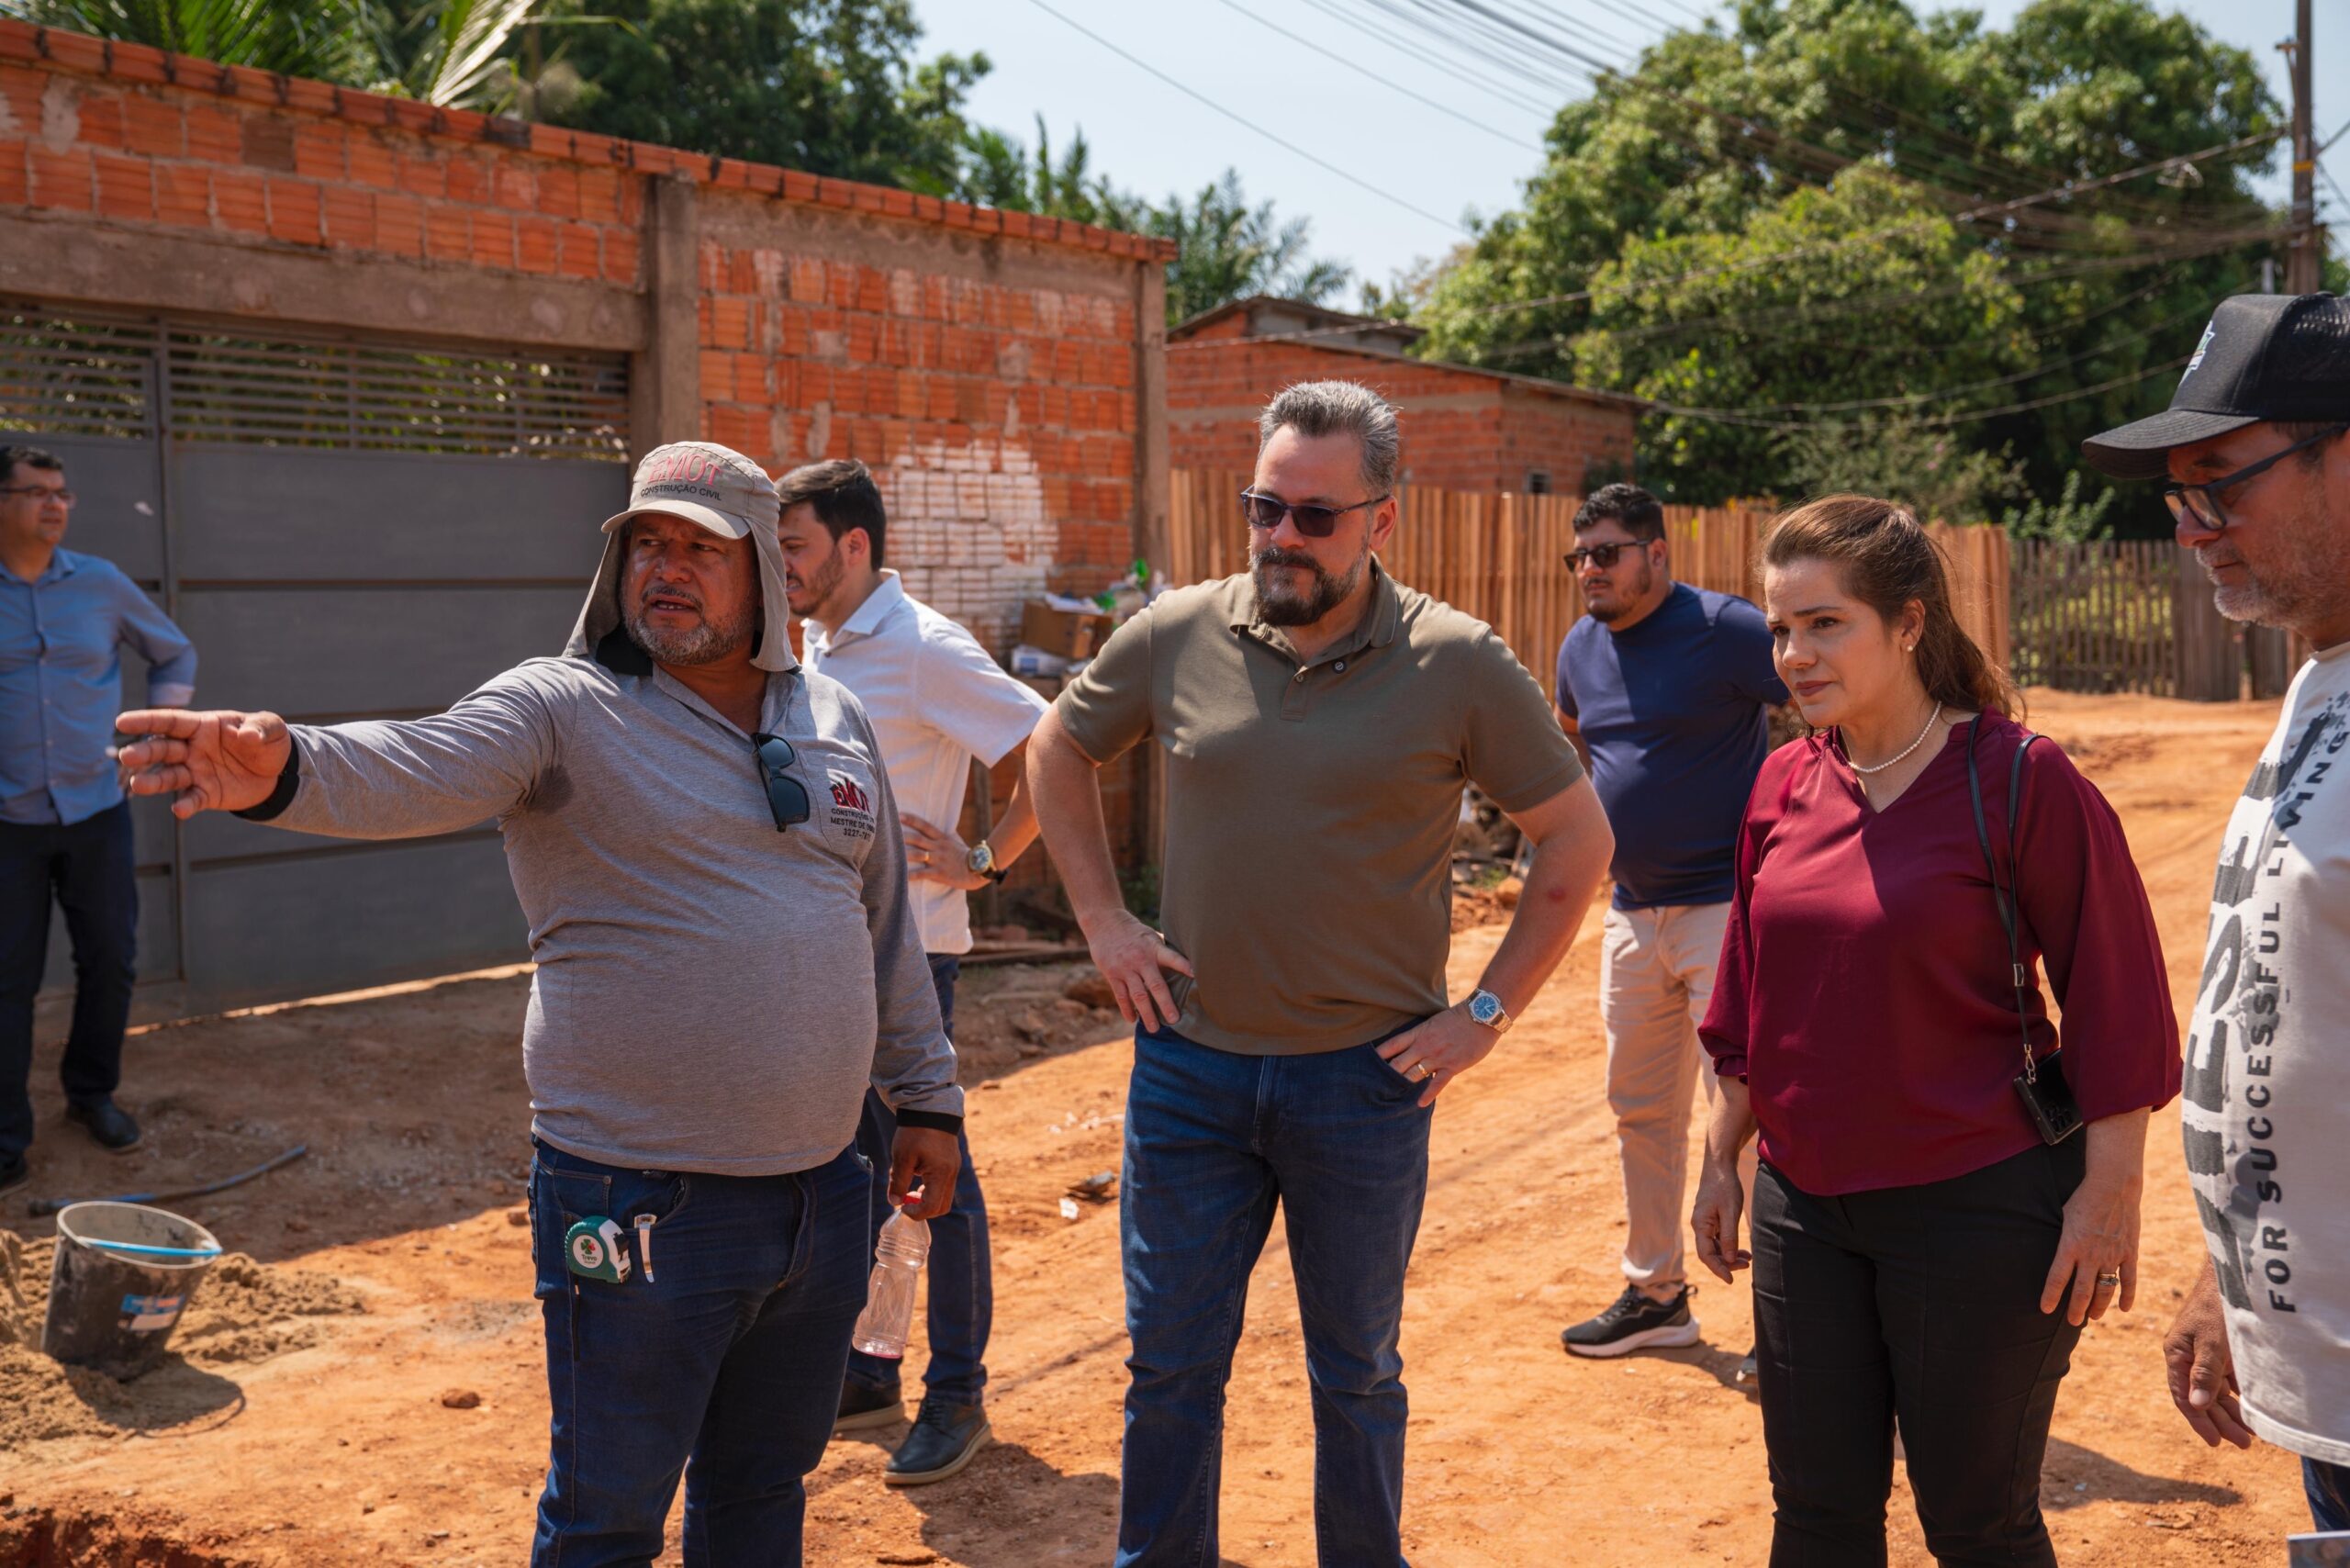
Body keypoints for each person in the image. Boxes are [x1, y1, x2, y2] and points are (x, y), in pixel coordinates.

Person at [113, 441, 963, 1568]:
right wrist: (285, 770)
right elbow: (418, 762)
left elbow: (882, 925)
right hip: (640, 1200)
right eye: (645, 543)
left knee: (763, 1488)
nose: (665, 567)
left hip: (823, 1190)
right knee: (608, 1517)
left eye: (699, 548)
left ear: (763, 567)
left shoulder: (837, 716)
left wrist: (928, 1099)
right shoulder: (565, 707)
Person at [1026, 380, 1615, 1568]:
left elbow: (1577, 838)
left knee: (1355, 1373)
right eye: (1265, 508)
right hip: (1189, 1074)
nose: (1281, 537)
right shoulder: (1179, 631)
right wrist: (1104, 922)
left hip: (1364, 1084)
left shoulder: (1455, 661)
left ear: (1380, 520)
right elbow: (1057, 746)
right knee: (1169, 1368)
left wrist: (1484, 1016)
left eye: (1314, 516)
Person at [1689, 495, 2180, 1566]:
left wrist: (2109, 1193)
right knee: (1815, 1519)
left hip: (1978, 1206)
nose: (1794, 654)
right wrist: (1721, 1155)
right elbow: (1751, 992)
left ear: (1909, 623)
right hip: (1804, 1208)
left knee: (1975, 1523)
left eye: (1826, 623)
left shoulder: (2020, 777)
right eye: (1779, 628)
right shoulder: (1783, 780)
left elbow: (2116, 996)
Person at [2079, 290, 2350, 1529]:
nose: (2193, 529)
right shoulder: (2317, 680)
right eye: (2177, 498)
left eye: (2220, 486)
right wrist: (2236, 1275)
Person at [778, 456, 1049, 1484]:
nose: (779, 565)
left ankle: (957, 1395)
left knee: (938, 1181)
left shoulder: (926, 647)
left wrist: (986, 859)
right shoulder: (820, 641)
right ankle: (871, 1372)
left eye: (794, 546)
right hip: (827, 956)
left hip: (911, 958)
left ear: (852, 546)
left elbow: (1052, 744)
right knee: (852, 1177)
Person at [1551, 481, 1785, 1361]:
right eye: (1579, 557)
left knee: (1749, 1115)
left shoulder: (1725, 628)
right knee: (1640, 1112)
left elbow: (1822, 697)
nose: (1590, 570)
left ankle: (1784, 1318)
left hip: (1727, 913)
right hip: (1630, 915)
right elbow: (1578, 735)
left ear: (1656, 552)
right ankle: (1656, 1294)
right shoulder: (1581, 645)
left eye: (1606, 553)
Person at [1, 443, 196, 1187]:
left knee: (110, 961)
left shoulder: (100, 583)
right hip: (7, 822)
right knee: (6, 979)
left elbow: (174, 654)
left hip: (96, 809)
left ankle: (91, 1095)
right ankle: (5, 1136)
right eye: (36, 492)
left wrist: (152, 739)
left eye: (62, 493)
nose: (55, 504)